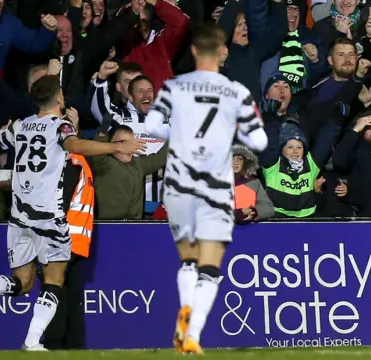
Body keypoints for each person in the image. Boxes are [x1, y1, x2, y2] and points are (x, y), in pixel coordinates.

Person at [0, 75, 146, 351]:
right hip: (48, 217)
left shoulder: (20, 125)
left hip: (18, 217)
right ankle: (31, 342)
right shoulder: (61, 126)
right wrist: (115, 146)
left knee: (22, 282)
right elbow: (75, 145)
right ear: (59, 99)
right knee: (54, 280)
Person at [144, 24, 268, 354]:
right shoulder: (237, 92)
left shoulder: (174, 87)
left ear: (195, 51)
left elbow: (151, 126)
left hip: (180, 183)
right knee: (210, 267)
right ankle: (193, 333)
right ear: (223, 52)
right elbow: (259, 141)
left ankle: (184, 312)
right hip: (215, 187)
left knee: (188, 260)